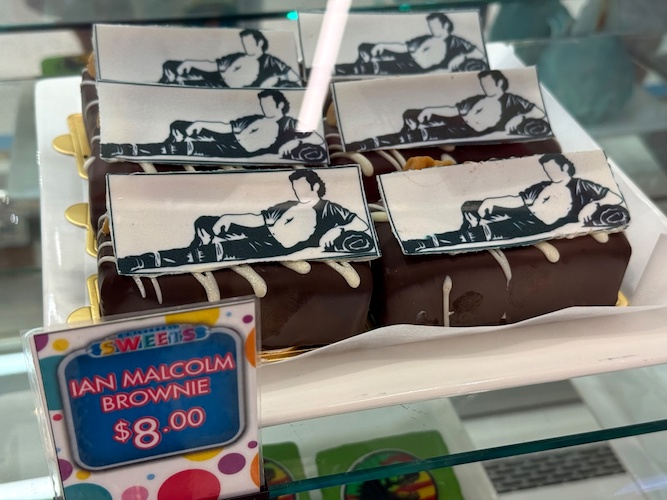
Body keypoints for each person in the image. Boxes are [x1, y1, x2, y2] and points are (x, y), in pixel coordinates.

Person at [117, 170, 372, 273]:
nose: (298, 192)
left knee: (214, 252)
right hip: (264, 235)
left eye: (302, 187)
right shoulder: (288, 205)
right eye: (295, 188)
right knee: (206, 222)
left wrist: (336, 230)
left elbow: (360, 224)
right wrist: (229, 218)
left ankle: (144, 261)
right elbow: (258, 219)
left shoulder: (330, 209)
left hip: (273, 248)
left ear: (316, 186)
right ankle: (194, 254)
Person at [403, 153, 626, 251]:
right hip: (525, 213)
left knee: (488, 232)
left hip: (541, 226)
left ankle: (430, 242)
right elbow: (517, 199)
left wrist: (593, 205)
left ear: (566, 167)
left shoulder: (581, 186)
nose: (550, 173)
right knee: (470, 208)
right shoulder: (542, 185)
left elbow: (614, 197)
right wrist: (491, 201)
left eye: (553, 169)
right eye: (547, 170)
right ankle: (457, 239)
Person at [348, 70, 549, 151]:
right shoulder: (477, 99)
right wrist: (430, 109)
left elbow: (539, 112)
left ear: (500, 83)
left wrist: (519, 117)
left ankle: (370, 143)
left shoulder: (513, 100)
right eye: (483, 84)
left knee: (424, 133)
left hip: (470, 132)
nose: (485, 87)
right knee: (412, 114)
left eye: (488, 84)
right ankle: (397, 139)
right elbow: (454, 109)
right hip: (460, 121)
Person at [104, 89, 326, 162]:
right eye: (263, 104)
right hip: (230, 139)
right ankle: (165, 151)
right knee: (180, 125)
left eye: (268, 104)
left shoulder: (289, 122)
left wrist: (295, 141)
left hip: (238, 150)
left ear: (280, 105)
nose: (265, 107)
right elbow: (227, 126)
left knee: (182, 147)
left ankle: (126, 150)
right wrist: (200, 123)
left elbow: (316, 138)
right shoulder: (254, 118)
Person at [336, 13, 486, 76]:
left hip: (415, 66)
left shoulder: (456, 41)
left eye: (435, 26)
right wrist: (383, 45)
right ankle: (358, 65)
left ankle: (348, 70)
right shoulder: (426, 37)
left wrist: (461, 57)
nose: (432, 29)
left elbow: (479, 54)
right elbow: (404, 47)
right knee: (366, 47)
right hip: (407, 56)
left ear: (446, 25)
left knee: (376, 66)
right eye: (431, 26)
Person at [159, 29, 301, 88]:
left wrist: (275, 80)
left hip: (230, 89)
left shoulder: (271, 61)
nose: (246, 46)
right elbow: (214, 66)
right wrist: (190, 62)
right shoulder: (237, 56)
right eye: (244, 43)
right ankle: (166, 83)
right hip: (218, 76)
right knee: (170, 66)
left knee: (185, 84)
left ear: (260, 43)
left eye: (249, 43)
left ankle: (170, 86)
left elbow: (295, 77)